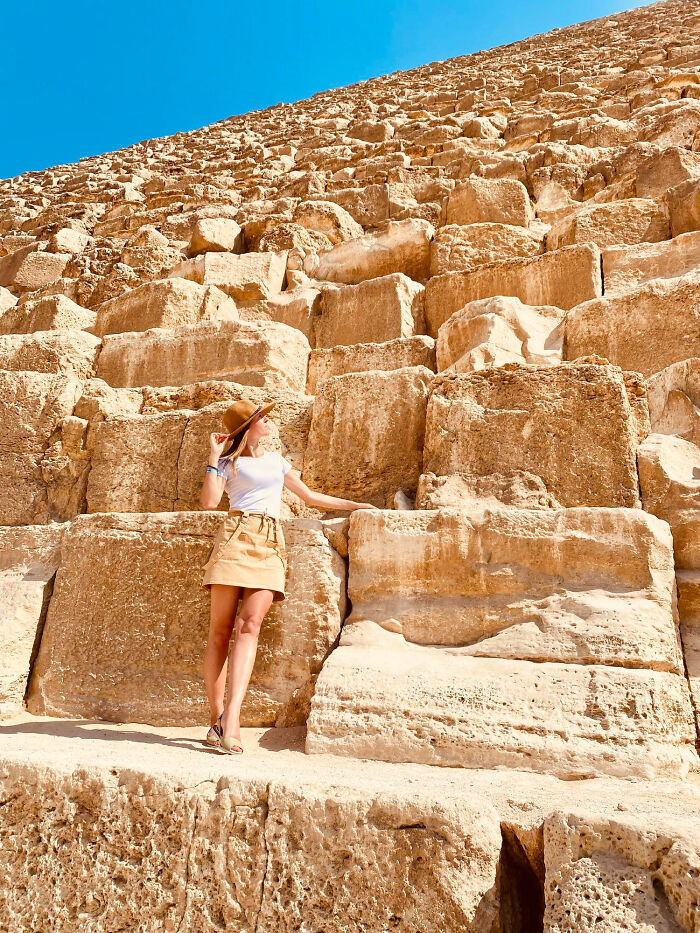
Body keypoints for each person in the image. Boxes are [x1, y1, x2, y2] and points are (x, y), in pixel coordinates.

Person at [199, 397, 379, 754]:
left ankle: (232, 719)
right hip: (235, 538)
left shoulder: (276, 461)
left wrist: (356, 505)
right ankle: (217, 719)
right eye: (262, 418)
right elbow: (209, 502)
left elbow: (309, 497)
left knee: (249, 626)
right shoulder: (225, 462)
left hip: (269, 541)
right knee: (219, 633)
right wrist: (211, 456)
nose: (268, 422)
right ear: (248, 426)